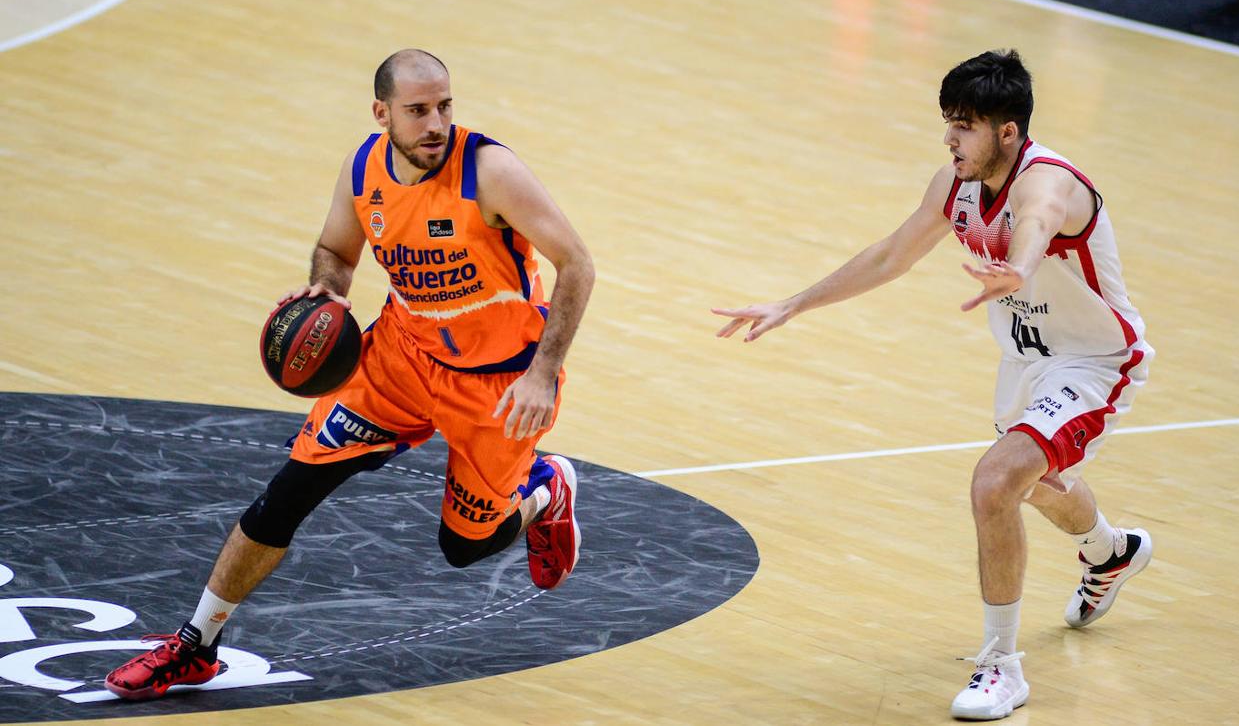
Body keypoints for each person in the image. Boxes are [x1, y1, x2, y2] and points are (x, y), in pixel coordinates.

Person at [105, 49, 595, 700]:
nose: (435, 124)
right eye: (417, 110)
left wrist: (543, 374)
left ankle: (542, 493)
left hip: (498, 382)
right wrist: (327, 291)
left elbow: (578, 265)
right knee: (288, 492)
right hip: (400, 358)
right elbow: (336, 251)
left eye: (445, 106)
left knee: (463, 548)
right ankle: (196, 645)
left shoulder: (490, 172)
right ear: (382, 113)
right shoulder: (363, 169)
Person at [713, 49, 1153, 721]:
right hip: (1027, 364)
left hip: (1094, 361)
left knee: (994, 483)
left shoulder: (1050, 182)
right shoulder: (957, 184)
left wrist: (1019, 266)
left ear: (1007, 132)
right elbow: (892, 254)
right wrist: (793, 303)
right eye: (948, 122)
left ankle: (1000, 668)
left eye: (965, 125)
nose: (951, 138)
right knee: (1032, 485)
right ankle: (1110, 551)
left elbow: (1035, 221)